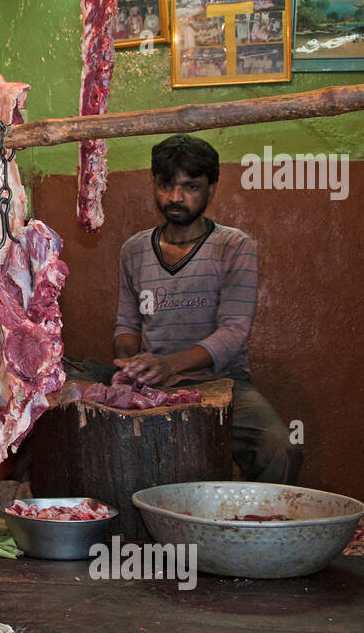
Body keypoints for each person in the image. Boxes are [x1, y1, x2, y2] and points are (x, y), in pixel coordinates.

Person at [68, 134, 299, 484]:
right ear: (154, 184)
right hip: (152, 388)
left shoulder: (235, 246)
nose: (175, 198)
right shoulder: (134, 250)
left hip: (220, 384)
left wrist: (169, 364)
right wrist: (129, 364)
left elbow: (234, 332)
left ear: (212, 188)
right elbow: (127, 325)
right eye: (165, 185)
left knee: (280, 447)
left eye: (190, 186)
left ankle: (256, 532)